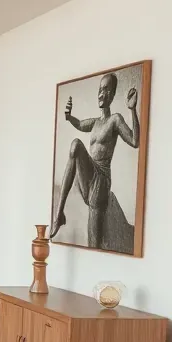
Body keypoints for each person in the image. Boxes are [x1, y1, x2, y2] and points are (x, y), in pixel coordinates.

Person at [51, 73, 139, 248]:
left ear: (113, 94)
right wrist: (69, 117)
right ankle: (59, 214)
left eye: (106, 89)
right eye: (100, 89)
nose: (101, 93)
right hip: (88, 180)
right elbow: (80, 124)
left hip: (101, 181)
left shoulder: (115, 120)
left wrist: (132, 109)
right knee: (75, 145)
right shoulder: (95, 122)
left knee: (94, 242)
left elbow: (135, 141)